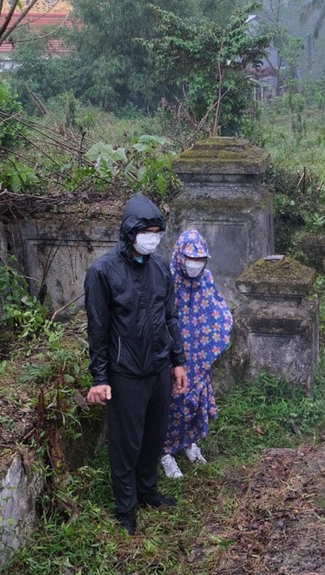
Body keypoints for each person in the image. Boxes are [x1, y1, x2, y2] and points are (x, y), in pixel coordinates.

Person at [84, 194, 189, 535]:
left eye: (158, 231)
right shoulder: (102, 271)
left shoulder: (160, 267)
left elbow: (170, 317)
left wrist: (178, 362)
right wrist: (100, 377)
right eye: (147, 231)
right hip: (125, 371)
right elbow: (98, 329)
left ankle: (147, 491)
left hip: (158, 367)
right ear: (130, 232)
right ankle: (126, 508)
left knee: (153, 437)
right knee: (125, 443)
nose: (153, 237)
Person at [159, 230, 233, 479]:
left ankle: (189, 444)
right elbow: (163, 320)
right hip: (175, 359)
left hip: (200, 357)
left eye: (200, 258)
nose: (195, 263)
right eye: (191, 257)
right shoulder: (168, 280)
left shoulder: (206, 279)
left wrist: (216, 339)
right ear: (180, 256)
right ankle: (165, 452)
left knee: (196, 402)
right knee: (174, 404)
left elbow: (217, 307)